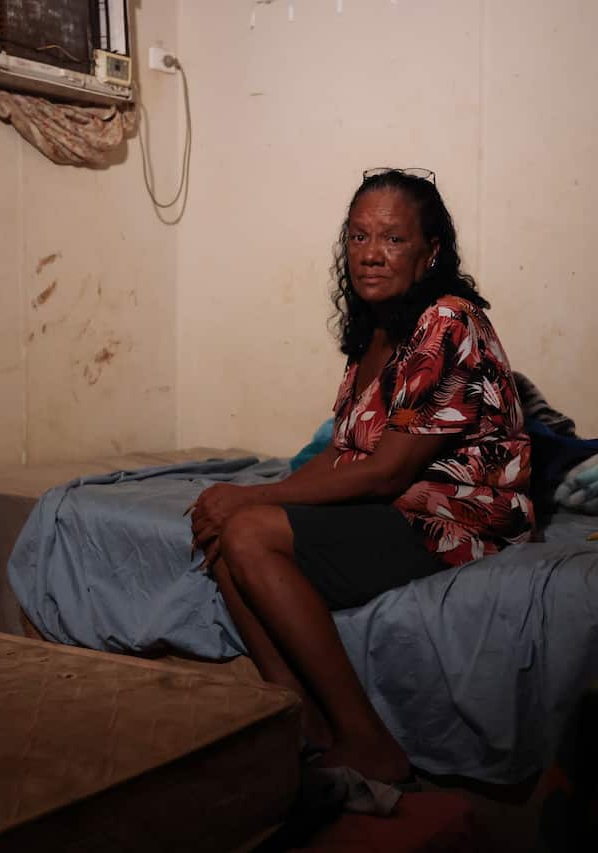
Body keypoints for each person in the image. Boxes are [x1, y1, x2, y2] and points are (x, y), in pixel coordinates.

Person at [188, 168, 533, 784]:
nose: (370, 254)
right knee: (226, 530)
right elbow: (344, 453)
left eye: (393, 239)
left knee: (248, 533)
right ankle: (302, 724)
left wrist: (255, 497)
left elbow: (384, 473)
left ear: (430, 252)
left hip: (457, 522)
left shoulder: (446, 321)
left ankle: (368, 741)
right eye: (357, 236)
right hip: (394, 509)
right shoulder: (375, 333)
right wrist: (236, 501)